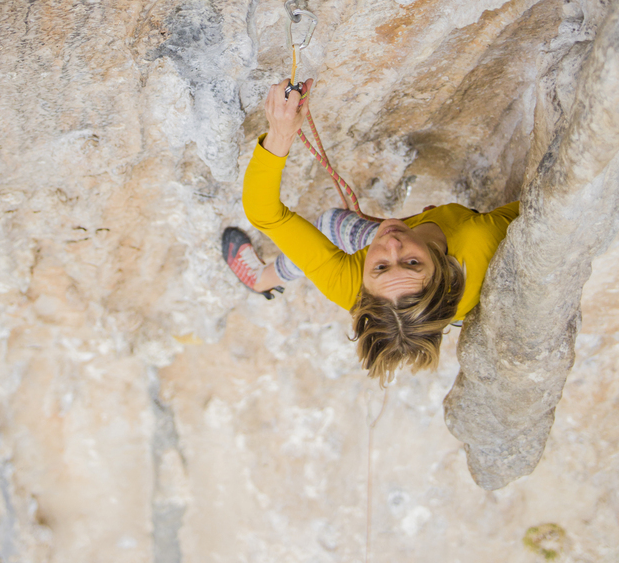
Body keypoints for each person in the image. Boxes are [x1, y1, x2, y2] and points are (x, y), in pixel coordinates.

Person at [222, 79, 520, 383]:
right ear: (442, 266)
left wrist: (280, 133)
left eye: (380, 266)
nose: (391, 245)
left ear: (364, 286)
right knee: (334, 226)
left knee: (330, 226)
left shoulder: (352, 284)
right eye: (412, 262)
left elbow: (266, 215)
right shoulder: (479, 237)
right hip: (442, 260)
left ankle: (262, 279)